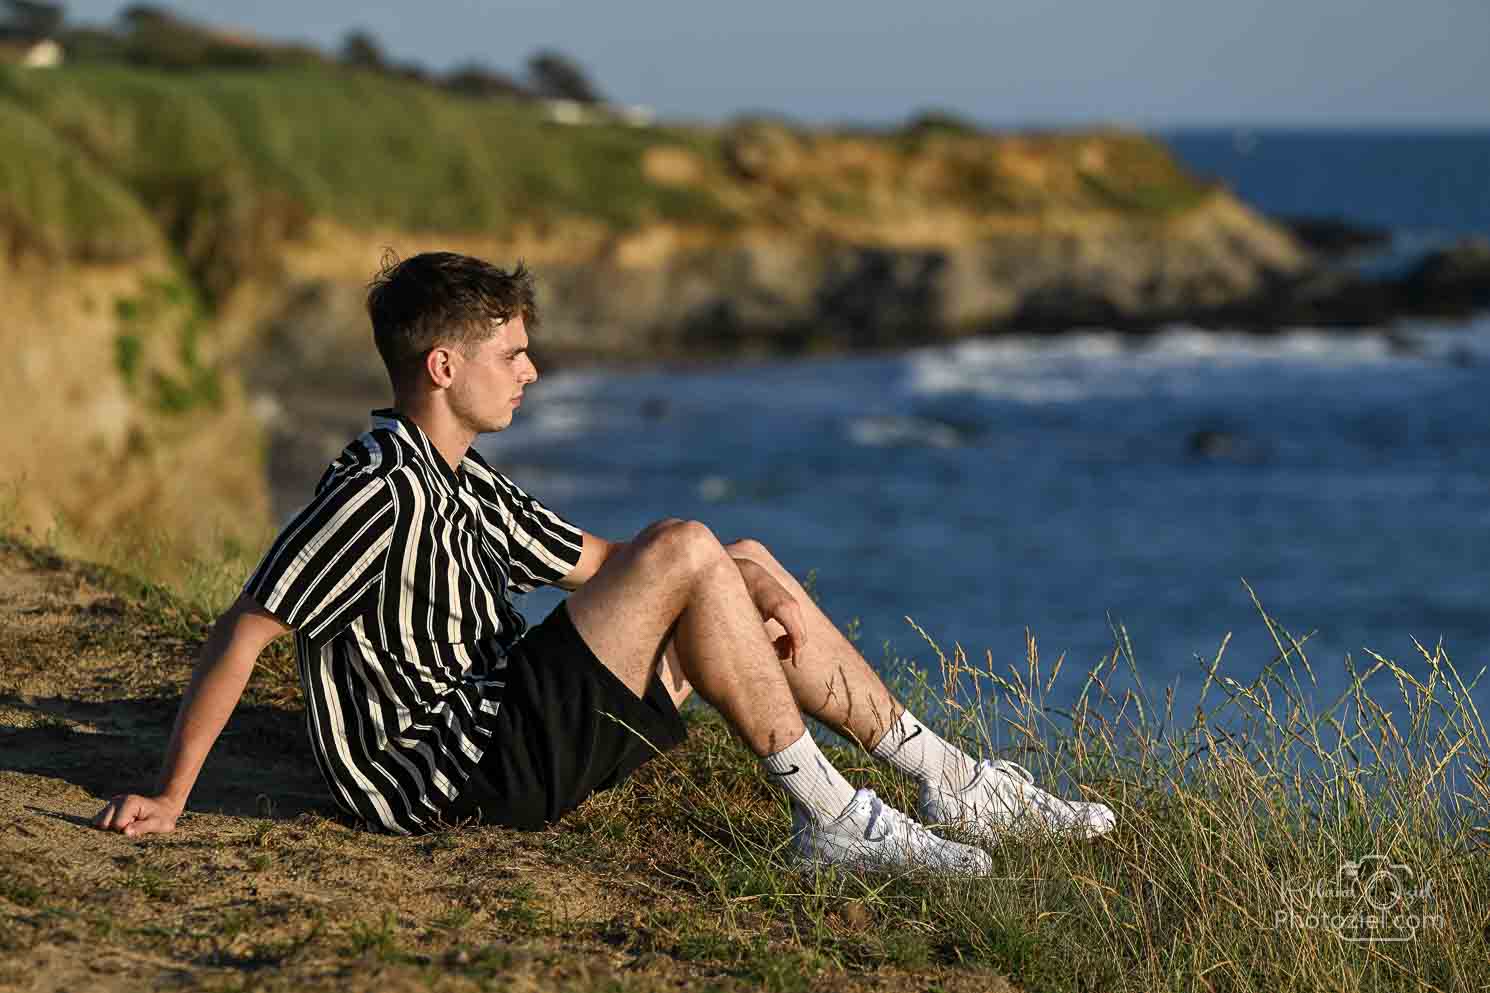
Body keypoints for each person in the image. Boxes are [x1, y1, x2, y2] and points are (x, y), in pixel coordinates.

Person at [92, 252, 1115, 873]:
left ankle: (949, 782)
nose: (531, 370)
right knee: (689, 547)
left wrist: (732, 595)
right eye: (511, 355)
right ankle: (832, 821)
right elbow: (250, 624)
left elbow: (605, 564)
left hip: (509, 729)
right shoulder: (374, 488)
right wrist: (174, 796)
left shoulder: (461, 476)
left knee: (732, 553)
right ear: (442, 368)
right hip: (457, 776)